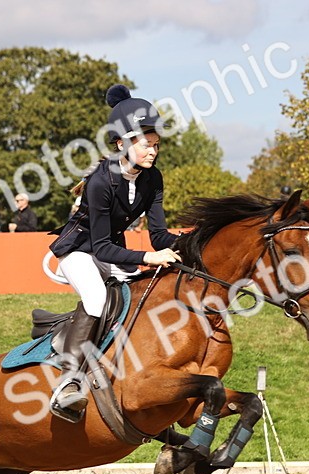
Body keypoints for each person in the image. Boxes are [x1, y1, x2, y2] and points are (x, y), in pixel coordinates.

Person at [44, 83, 182, 421]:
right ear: (121, 143)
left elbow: (160, 237)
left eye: (156, 144)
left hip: (110, 254)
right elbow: (102, 246)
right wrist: (149, 258)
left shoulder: (153, 179)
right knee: (95, 298)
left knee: (140, 292)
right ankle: (68, 383)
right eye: (146, 144)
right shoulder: (101, 182)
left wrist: (192, 244)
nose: (153, 151)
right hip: (79, 252)